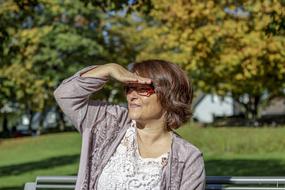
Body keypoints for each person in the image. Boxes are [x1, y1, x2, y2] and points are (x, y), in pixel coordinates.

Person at [54, 59, 206, 190]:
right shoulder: (109, 123)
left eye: (142, 89)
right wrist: (109, 68)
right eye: (129, 87)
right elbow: (65, 95)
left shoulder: (187, 158)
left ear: (169, 96)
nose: (132, 96)